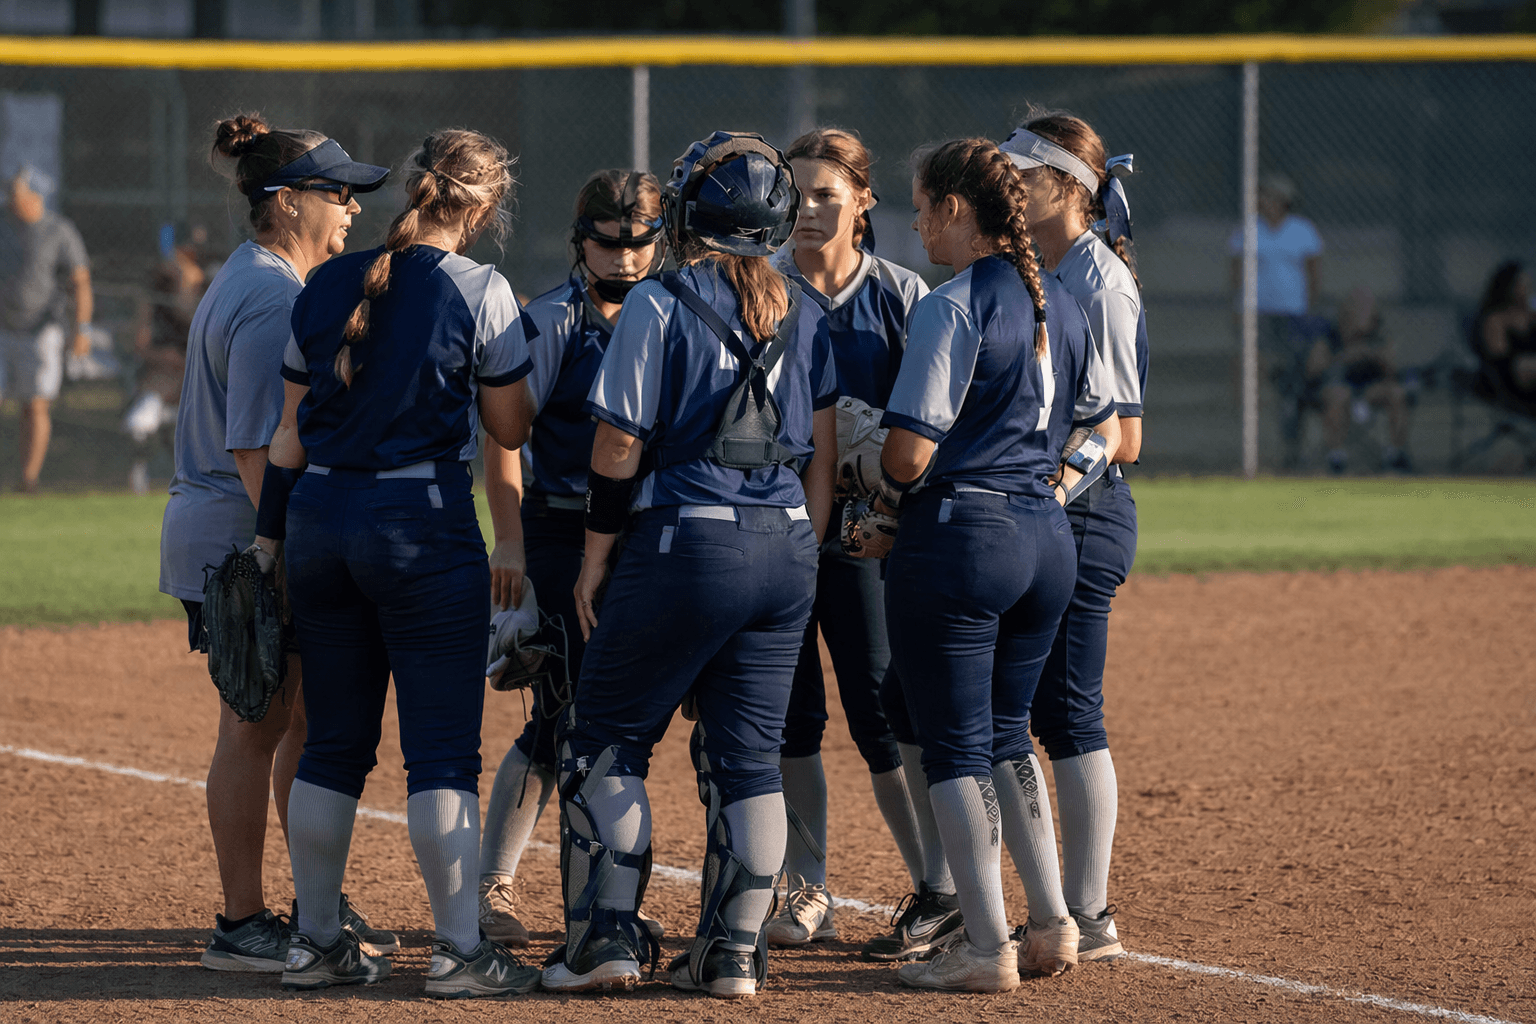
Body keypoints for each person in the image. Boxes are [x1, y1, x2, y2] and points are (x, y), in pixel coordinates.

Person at [541, 131, 837, 1000]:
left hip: (686, 539)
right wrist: (804, 552)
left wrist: (595, 558)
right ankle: (734, 954)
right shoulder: (808, 308)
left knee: (605, 741)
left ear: (686, 215)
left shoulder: (659, 301)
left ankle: (606, 942)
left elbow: (617, 441)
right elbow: (818, 450)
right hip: (785, 544)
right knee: (749, 759)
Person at [250, 128, 541, 998]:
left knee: (333, 743)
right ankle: (458, 951)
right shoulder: (480, 288)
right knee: (442, 753)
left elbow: (289, 437)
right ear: (483, 207)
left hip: (319, 521)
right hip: (420, 522)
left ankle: (316, 940)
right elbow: (511, 428)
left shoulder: (327, 281)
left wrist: (268, 540)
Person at [868, 137, 1118, 993]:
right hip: (1046, 539)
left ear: (959, 210)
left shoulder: (952, 303)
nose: (915, 220)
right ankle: (1051, 923)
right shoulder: (1064, 303)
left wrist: (861, 462)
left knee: (956, 748)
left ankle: (984, 945)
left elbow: (907, 457)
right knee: (1010, 733)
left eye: (924, 203)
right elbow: (1097, 430)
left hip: (963, 541)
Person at [157, 114, 397, 976]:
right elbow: (257, 448)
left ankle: (313, 903)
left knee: (289, 720)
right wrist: (287, 553)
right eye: (336, 195)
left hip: (231, 530)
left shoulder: (258, 276)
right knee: (255, 728)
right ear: (286, 202)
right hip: (241, 536)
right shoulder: (270, 295)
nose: (350, 212)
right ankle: (242, 922)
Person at [760, 127, 958, 960]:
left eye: (825, 195)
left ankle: (935, 888)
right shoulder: (759, 288)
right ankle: (807, 890)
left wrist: (884, 496)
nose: (806, 211)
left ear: (864, 202)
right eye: (794, 195)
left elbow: (936, 422)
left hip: (872, 534)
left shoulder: (905, 294)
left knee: (884, 707)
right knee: (789, 715)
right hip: (773, 529)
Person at [477, 168, 667, 947]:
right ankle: (499, 884)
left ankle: (607, 891)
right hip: (560, 533)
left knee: (621, 723)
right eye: (607, 243)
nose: (624, 258)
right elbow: (503, 435)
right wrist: (512, 541)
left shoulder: (672, 313)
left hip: (647, 539)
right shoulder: (554, 319)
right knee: (561, 716)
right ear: (578, 242)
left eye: (639, 243)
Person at [1001, 112, 1149, 968]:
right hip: (1049, 511)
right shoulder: (1045, 267)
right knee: (1037, 713)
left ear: (1070, 188)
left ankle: (1087, 913)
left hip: (1083, 516)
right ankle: (1066, 909)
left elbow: (1123, 434)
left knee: (1066, 714)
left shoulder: (1097, 279)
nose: (1012, 186)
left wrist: (1042, 485)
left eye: (1026, 174)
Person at [0, 166, 92, 493]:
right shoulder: (3, 224)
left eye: (20, 192)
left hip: (41, 330)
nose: (13, 198)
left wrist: (80, 329)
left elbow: (80, 282)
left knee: (35, 404)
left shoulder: (59, 231)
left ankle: (28, 479)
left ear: (37, 196)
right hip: (2, 328)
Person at [1227, 173, 1324, 467]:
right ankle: (1250, 441)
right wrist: (1237, 307)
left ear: (1284, 201)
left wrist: (1309, 311)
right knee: (1255, 372)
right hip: (1258, 316)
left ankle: (1291, 447)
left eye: (1269, 196)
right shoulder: (1248, 230)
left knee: (1292, 382)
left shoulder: (1302, 230)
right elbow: (1236, 272)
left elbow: (1313, 274)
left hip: (1292, 316)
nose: (1262, 202)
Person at [125, 233, 207, 494]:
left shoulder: (210, 292)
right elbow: (141, 345)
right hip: (162, 378)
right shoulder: (154, 295)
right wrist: (166, 358)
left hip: (198, 382)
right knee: (139, 421)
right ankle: (138, 478)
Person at [1307, 286, 1412, 473]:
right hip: (1338, 389)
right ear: (1346, 312)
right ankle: (1336, 457)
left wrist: (1375, 355)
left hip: (1370, 390)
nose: (1364, 314)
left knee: (1396, 392)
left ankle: (1395, 453)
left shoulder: (1379, 337)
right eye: (1359, 309)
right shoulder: (1329, 337)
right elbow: (1314, 371)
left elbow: (1393, 372)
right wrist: (1343, 358)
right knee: (1339, 395)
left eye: (1368, 309)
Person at [1475, 260, 1536, 417]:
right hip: (1514, 378)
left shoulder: (1530, 316)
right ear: (1509, 287)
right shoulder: (1495, 319)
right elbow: (1502, 361)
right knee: (1526, 365)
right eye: (1523, 283)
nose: (1529, 287)